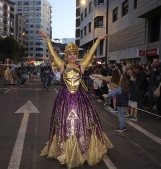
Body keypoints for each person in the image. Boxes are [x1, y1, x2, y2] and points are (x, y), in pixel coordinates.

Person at [38, 30, 113, 169]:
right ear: (66, 55)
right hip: (64, 99)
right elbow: (53, 54)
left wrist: (98, 41)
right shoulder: (62, 66)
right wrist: (48, 39)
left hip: (80, 99)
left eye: (74, 54)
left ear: (76, 55)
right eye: (70, 54)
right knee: (65, 124)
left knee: (83, 123)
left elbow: (90, 54)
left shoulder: (81, 66)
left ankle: (83, 147)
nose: (72, 56)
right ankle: (65, 149)